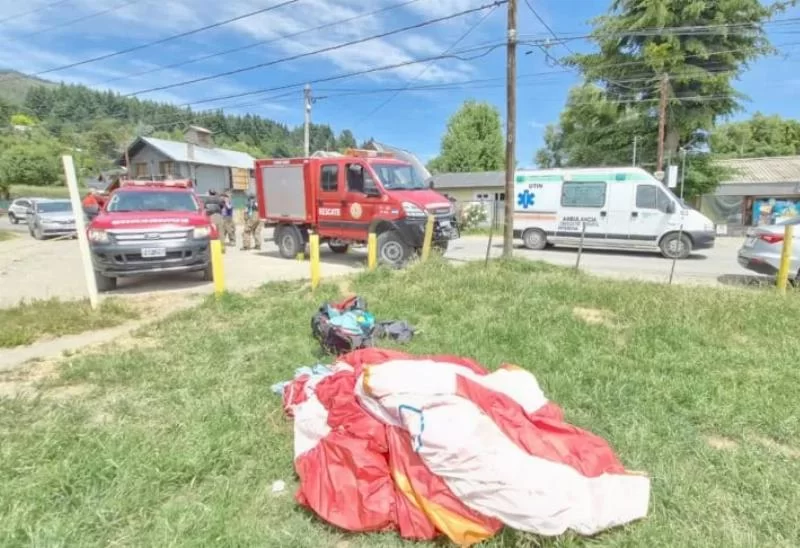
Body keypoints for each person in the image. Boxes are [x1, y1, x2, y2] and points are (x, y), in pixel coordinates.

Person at [206, 190, 226, 254]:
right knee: (221, 232)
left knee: (212, 233)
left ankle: (212, 249)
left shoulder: (206, 200)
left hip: (210, 217)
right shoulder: (219, 199)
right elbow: (222, 206)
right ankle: (222, 248)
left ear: (209, 193)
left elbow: (204, 207)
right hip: (218, 216)